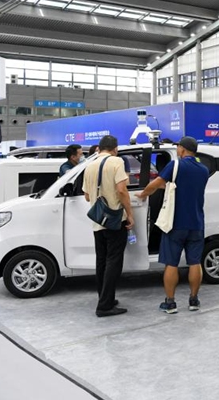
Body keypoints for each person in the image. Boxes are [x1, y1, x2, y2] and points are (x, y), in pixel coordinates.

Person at [136, 136, 209, 314]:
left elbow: (156, 184)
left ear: (182, 149)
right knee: (195, 263)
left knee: (171, 263)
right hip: (197, 223)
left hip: (175, 223)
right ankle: (194, 300)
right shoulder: (204, 170)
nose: (177, 150)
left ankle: (170, 303)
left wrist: (143, 194)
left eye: (178, 147)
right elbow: (185, 186)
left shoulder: (175, 165)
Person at [82, 135, 134, 317]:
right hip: (115, 220)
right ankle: (105, 306)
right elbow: (122, 190)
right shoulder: (116, 162)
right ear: (115, 148)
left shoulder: (89, 165)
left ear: (99, 148)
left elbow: (87, 196)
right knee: (114, 261)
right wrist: (130, 214)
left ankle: (105, 298)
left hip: (98, 222)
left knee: (102, 261)